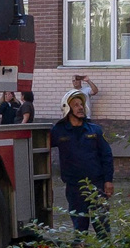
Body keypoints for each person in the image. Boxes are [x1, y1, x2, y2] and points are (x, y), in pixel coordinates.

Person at [48, 88, 115, 236]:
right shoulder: (58, 131)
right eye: (76, 105)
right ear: (67, 108)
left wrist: (108, 181)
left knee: (102, 226)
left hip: (97, 185)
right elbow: (42, 148)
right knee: (80, 228)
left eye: (81, 104)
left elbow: (107, 155)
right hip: (74, 187)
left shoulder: (95, 130)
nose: (80, 107)